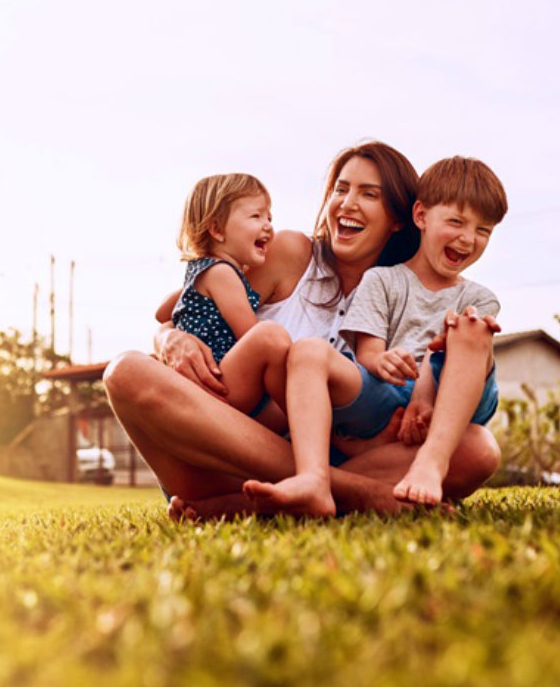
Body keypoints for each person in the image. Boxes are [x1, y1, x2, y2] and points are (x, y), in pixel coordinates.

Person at [103, 142, 502, 519]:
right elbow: (192, 301)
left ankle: (267, 498)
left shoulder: (407, 293)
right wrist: (171, 338)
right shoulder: (290, 253)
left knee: (478, 449)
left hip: (342, 456)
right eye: (341, 189)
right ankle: (353, 492)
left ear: (400, 219)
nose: (347, 203)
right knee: (125, 371)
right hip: (221, 453)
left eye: (368, 194)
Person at [243, 156, 507, 515]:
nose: (467, 238)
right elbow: (368, 351)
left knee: (470, 330)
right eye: (457, 222)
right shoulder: (382, 279)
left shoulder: (478, 298)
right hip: (388, 392)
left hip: (453, 399)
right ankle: (313, 479)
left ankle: (431, 462)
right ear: (420, 217)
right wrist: (381, 360)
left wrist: (426, 396)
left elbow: (448, 355)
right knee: (308, 351)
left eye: (483, 231)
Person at [162, 173, 290, 426]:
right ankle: (304, 416)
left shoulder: (200, 271)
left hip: (213, 384)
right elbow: (250, 333)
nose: (268, 226)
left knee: (286, 421)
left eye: (269, 217)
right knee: (270, 337)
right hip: (220, 382)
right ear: (217, 229)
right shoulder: (222, 273)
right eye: (256, 216)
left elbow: (161, 313)